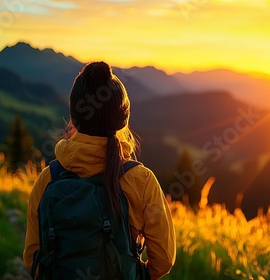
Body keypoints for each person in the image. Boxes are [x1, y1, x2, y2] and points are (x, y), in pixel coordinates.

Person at [23, 61, 176, 279]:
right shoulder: (141, 181)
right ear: (123, 120)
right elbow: (163, 260)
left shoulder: (48, 178)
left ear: (75, 117)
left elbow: (33, 258)